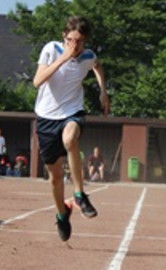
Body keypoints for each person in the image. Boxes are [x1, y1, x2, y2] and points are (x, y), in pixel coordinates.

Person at [32, 16, 110, 240]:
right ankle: (61, 214)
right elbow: (37, 81)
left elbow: (98, 66)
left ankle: (79, 194)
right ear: (64, 37)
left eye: (79, 42)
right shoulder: (51, 49)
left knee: (70, 140)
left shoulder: (88, 56)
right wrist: (63, 59)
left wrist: (103, 90)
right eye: (71, 40)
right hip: (46, 117)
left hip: (72, 111)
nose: (75, 46)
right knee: (55, 177)